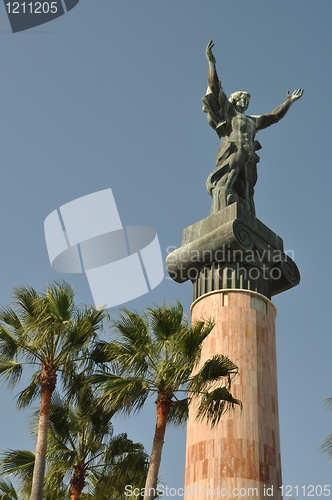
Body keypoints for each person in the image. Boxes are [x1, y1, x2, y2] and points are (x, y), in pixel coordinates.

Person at [203, 40, 303, 215]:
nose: (246, 101)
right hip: (234, 150)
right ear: (235, 100)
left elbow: (274, 116)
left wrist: (289, 102)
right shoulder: (230, 113)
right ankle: (221, 208)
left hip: (250, 156)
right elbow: (215, 86)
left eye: (248, 100)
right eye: (243, 98)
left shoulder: (253, 121)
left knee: (249, 192)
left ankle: (248, 218)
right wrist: (211, 62)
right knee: (228, 179)